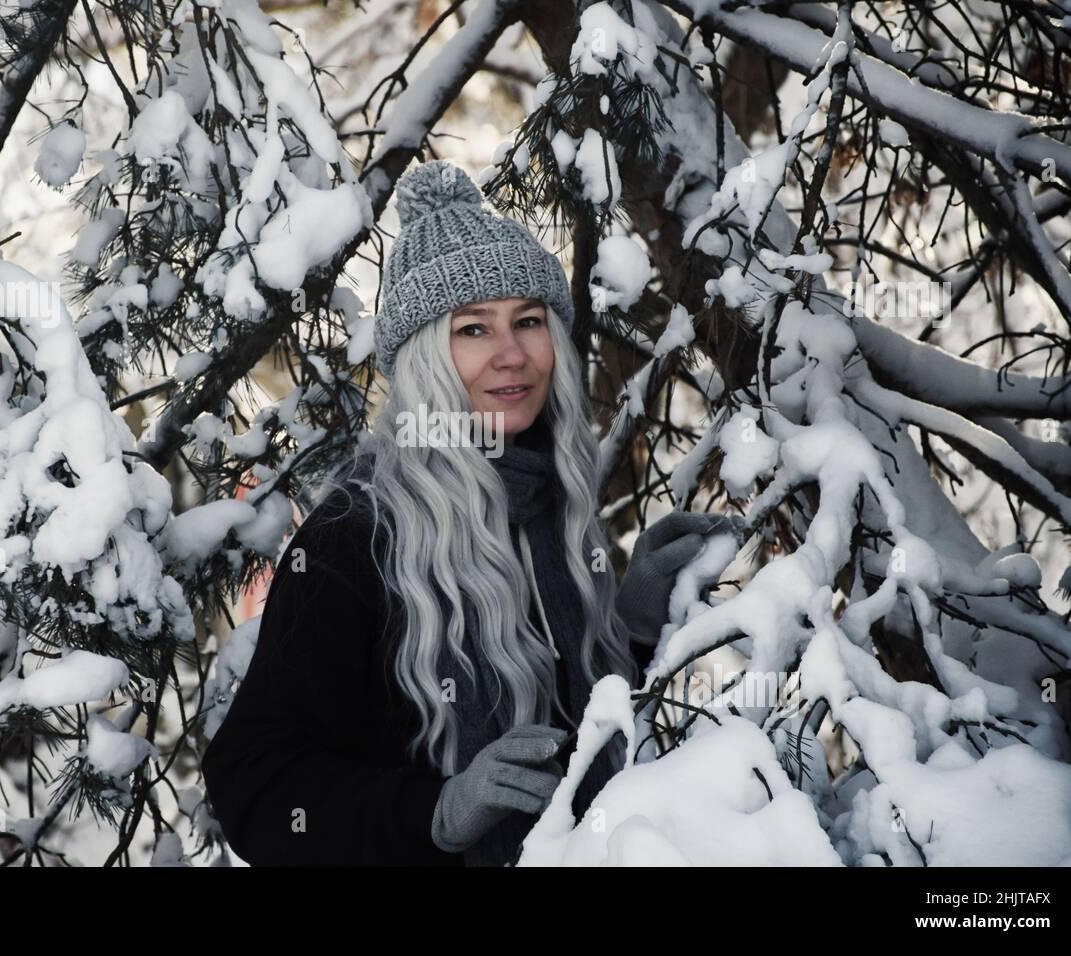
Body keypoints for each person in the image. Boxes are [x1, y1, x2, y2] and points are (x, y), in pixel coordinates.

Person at [200, 159, 734, 866]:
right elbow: (254, 787)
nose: (512, 354)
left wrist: (628, 629)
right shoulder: (355, 539)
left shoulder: (551, 498)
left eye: (529, 321)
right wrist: (438, 813)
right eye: (473, 330)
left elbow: (567, 736)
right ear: (425, 360)